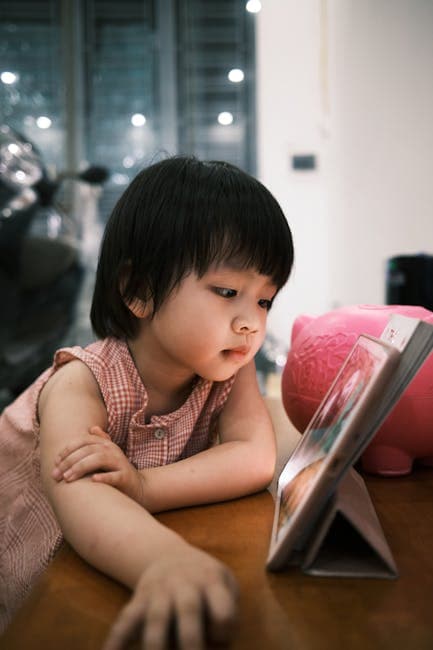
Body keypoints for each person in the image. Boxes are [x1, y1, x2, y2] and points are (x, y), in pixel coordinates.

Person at [0, 156, 294, 648]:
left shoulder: (227, 371)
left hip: (104, 563)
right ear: (138, 290)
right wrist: (163, 559)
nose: (251, 323)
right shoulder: (82, 382)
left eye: (265, 300)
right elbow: (82, 493)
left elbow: (254, 456)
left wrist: (143, 486)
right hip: (28, 576)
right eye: (228, 291)